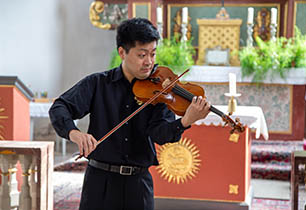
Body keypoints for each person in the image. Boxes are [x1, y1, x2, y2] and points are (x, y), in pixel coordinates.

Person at [49, 17, 211, 210]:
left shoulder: (159, 91)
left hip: (138, 184)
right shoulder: (98, 83)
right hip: (100, 183)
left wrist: (185, 121)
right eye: (142, 55)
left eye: (152, 54)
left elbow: (160, 134)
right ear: (122, 53)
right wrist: (74, 133)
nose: (149, 62)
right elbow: (60, 107)